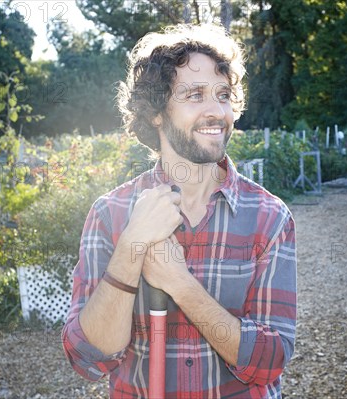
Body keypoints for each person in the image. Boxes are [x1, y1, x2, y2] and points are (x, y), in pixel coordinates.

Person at [62, 24, 297, 398]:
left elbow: (270, 361)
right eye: (194, 95)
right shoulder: (112, 213)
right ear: (156, 111)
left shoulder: (269, 217)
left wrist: (179, 283)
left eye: (223, 95)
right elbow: (88, 358)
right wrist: (131, 249)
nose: (216, 111)